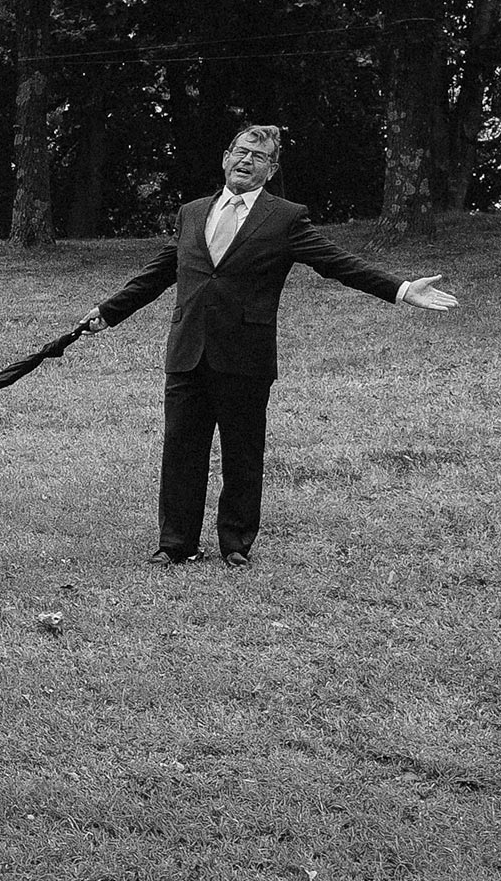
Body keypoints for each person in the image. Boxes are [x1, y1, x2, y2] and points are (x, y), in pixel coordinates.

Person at [83, 123, 458, 567]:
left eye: (258, 157)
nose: (247, 161)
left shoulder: (285, 218)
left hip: (246, 355)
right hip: (188, 351)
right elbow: (159, 272)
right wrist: (109, 311)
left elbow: (337, 263)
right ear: (226, 157)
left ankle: (235, 544)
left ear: (271, 169)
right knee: (181, 450)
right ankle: (176, 544)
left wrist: (402, 289)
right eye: (241, 152)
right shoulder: (192, 212)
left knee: (243, 452)